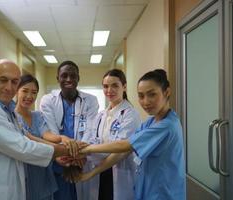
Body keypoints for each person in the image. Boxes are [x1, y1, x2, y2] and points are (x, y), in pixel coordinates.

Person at [0, 59, 71, 200]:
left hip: (10, 188)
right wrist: (66, 150)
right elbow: (23, 147)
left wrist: (62, 142)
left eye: (14, 82)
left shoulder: (8, 110)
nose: (9, 87)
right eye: (3, 80)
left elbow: (26, 136)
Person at [78, 69, 186, 200]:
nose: (146, 101)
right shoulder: (151, 122)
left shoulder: (166, 125)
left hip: (162, 192)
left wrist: (86, 149)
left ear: (167, 92)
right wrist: (89, 166)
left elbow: (124, 146)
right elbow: (123, 148)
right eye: (141, 96)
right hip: (147, 187)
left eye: (152, 94)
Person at [40, 60, 99, 200]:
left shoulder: (90, 100)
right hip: (59, 161)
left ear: (78, 78)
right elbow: (52, 132)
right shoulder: (48, 100)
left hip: (82, 160)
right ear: (57, 78)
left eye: (73, 76)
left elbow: (90, 130)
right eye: (64, 75)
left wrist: (78, 155)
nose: (69, 79)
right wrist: (65, 156)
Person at [82, 69, 141, 200]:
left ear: (124, 87)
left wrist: (89, 153)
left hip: (120, 171)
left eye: (115, 85)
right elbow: (93, 140)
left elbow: (121, 150)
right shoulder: (101, 115)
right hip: (102, 171)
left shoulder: (130, 114)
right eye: (106, 86)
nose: (109, 90)